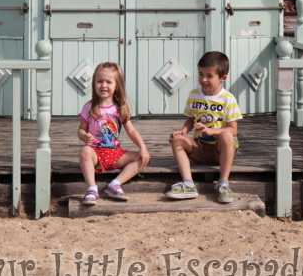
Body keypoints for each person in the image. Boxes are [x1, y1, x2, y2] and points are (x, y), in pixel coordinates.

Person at [165, 51, 242, 203]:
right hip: (200, 146)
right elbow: (191, 118)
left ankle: (223, 184)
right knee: (177, 140)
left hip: (221, 150)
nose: (203, 79)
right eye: (201, 74)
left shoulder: (228, 99)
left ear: (222, 78)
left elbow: (233, 129)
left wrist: (212, 131)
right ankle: (188, 184)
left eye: (209, 76)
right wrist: (183, 131)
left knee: (227, 136)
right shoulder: (194, 94)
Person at [78, 62, 150, 205]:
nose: (104, 85)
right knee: (84, 151)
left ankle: (115, 184)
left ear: (116, 85)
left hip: (115, 155)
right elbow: (81, 130)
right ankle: (92, 188)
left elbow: (131, 130)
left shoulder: (120, 108)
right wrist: (84, 136)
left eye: (108, 82)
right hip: (96, 154)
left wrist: (143, 148)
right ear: (94, 84)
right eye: (100, 81)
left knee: (143, 158)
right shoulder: (89, 107)